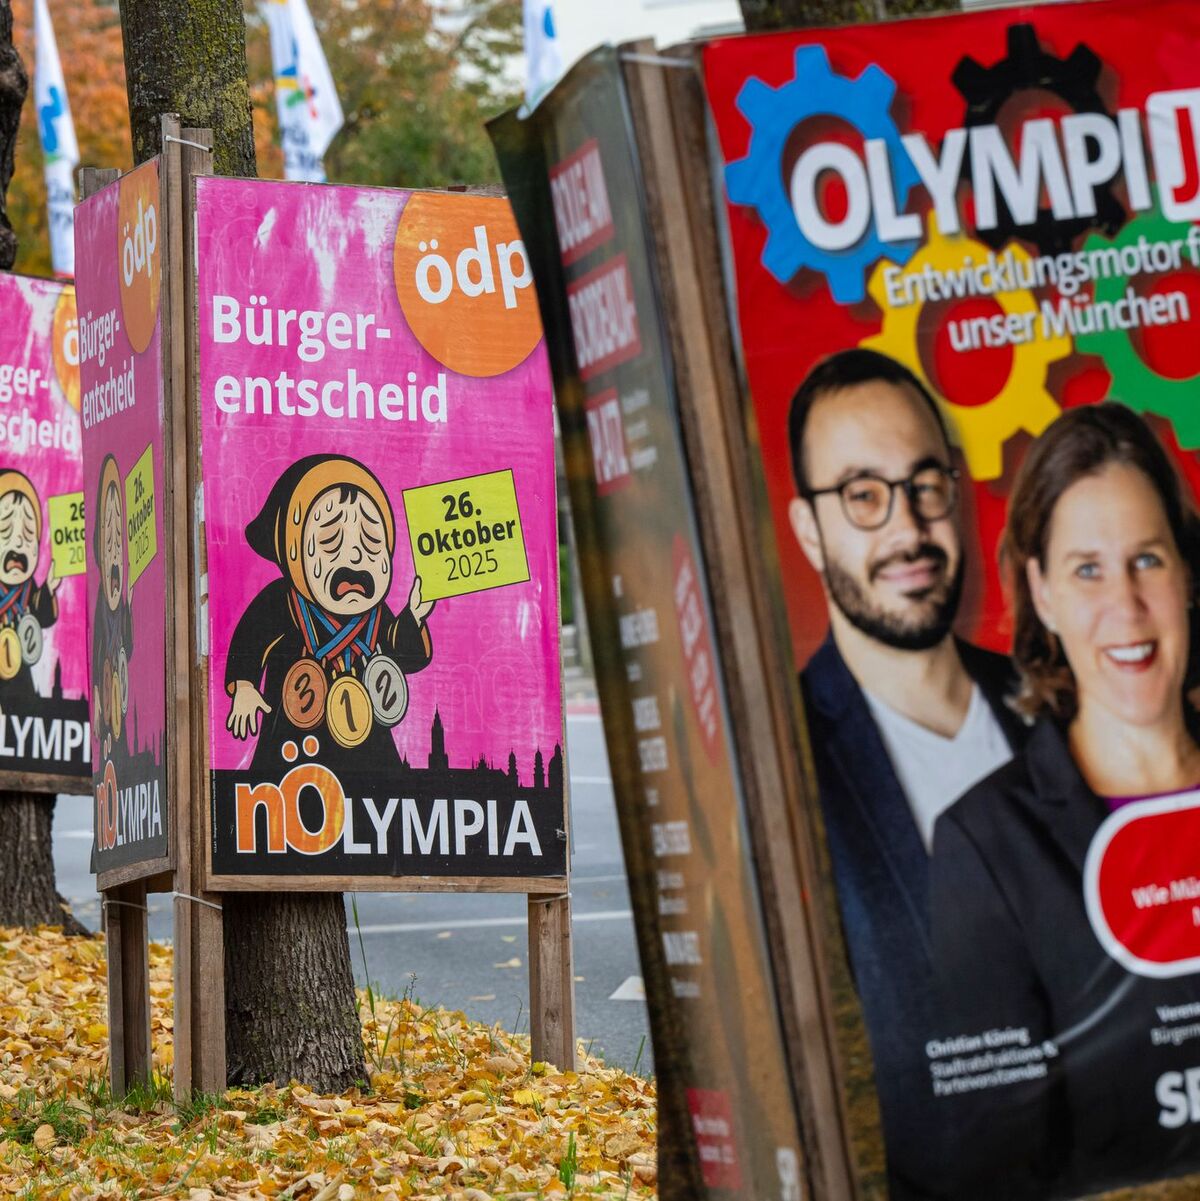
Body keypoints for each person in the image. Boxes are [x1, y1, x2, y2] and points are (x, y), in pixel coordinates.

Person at [932, 403, 1200, 1199]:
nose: (1126, 605)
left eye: (1147, 559)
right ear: (1041, 591)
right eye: (1088, 568)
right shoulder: (988, 845)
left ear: (1186, 572)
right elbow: (1004, 1160)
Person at [788, 347, 1026, 1199]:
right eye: (862, 494)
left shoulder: (1065, 708)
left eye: (926, 484)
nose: (906, 529)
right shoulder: (781, 761)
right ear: (808, 529)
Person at [226, 454, 434, 776]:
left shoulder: (375, 614)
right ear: (292, 549)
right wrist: (245, 686)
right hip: (294, 744)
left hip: (369, 744)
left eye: (371, 541)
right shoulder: (281, 602)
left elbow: (402, 656)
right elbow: (251, 638)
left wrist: (414, 616)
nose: (353, 556)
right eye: (330, 541)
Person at [0, 469, 60, 702]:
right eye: (5, 530)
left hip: (20, 684)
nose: (17, 542)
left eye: (27, 534)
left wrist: (48, 588)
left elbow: (42, 616)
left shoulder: (28, 590)